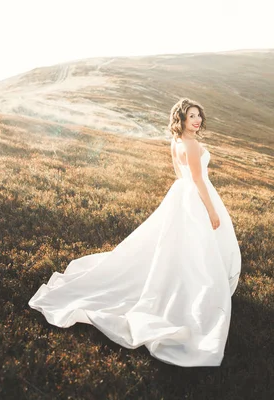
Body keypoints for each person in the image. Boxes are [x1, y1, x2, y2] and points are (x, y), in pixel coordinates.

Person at [28, 98, 241, 367]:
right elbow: (198, 179)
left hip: (181, 194)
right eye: (191, 117)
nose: (197, 120)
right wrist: (211, 210)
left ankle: (181, 277)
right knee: (197, 247)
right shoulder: (192, 144)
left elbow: (180, 175)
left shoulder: (176, 142)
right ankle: (195, 287)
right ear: (182, 120)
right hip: (197, 197)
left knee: (177, 245)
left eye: (199, 115)